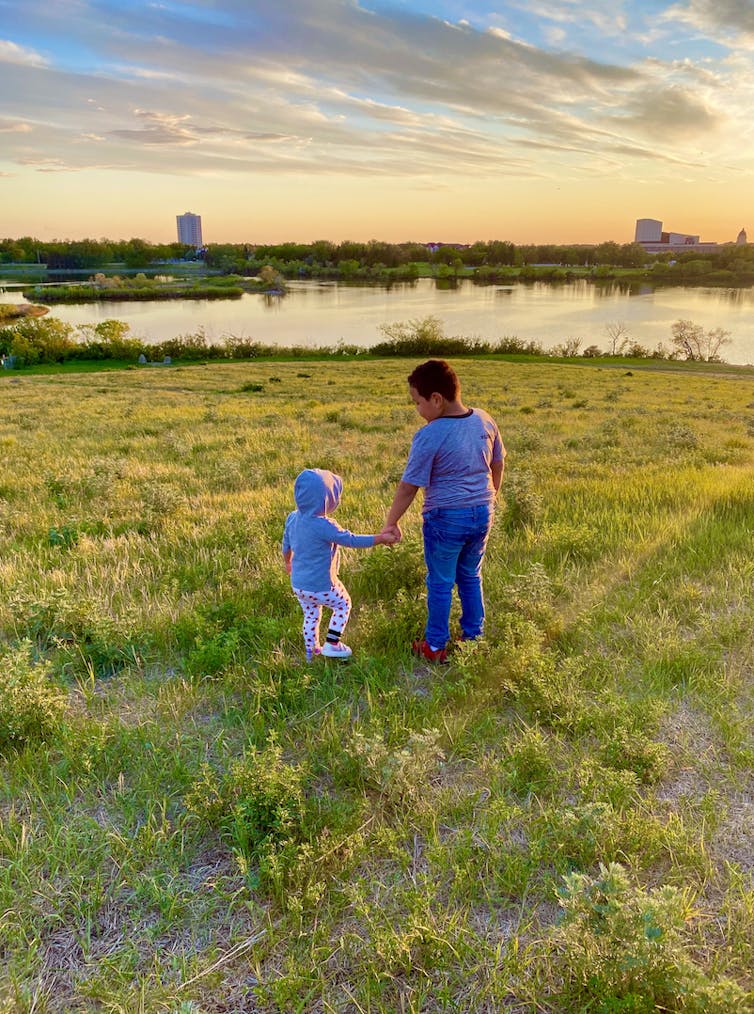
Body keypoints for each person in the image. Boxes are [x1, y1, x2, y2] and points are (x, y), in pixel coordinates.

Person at [382, 360, 505, 662]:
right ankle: (474, 640)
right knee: (470, 576)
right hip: (482, 512)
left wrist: (391, 522)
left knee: (440, 582)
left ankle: (435, 646)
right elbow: (498, 463)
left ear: (436, 399)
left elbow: (409, 486)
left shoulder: (430, 434)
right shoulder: (485, 420)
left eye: (418, 403)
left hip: (446, 518)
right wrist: (491, 497)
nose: (418, 410)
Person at [283, 468, 397, 661]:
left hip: (299, 585)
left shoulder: (292, 518)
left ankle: (311, 653)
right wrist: (380, 538)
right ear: (327, 500)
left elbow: (286, 545)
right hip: (322, 585)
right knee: (343, 604)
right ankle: (332, 644)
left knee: (311, 616)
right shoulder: (325, 525)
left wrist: (288, 563)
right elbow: (351, 540)